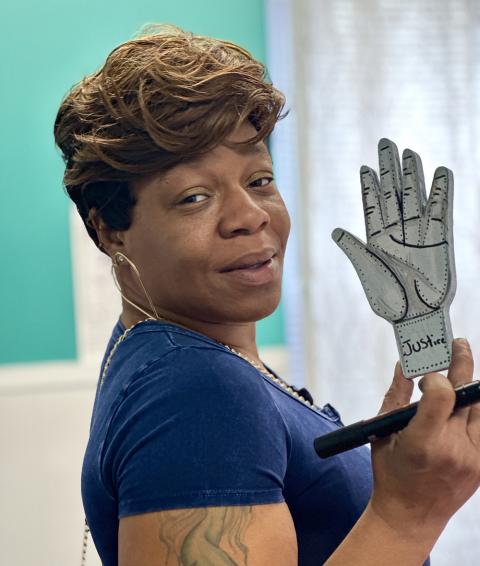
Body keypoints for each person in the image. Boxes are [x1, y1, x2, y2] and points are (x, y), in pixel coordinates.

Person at [54, 25, 480, 566]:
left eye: (259, 180)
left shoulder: (175, 357)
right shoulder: (193, 389)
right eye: (194, 197)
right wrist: (409, 512)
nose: (250, 216)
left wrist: (422, 336)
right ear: (111, 230)